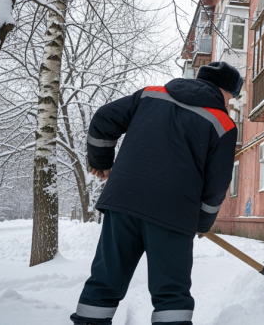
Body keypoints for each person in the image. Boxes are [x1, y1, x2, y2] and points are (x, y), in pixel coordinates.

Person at [70, 62, 243, 325]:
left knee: (106, 278)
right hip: (174, 213)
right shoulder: (222, 123)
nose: (229, 103)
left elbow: (104, 118)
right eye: (231, 97)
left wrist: (101, 161)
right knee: (170, 292)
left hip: (123, 200)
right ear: (223, 89)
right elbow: (217, 183)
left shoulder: (150, 95)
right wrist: (202, 222)